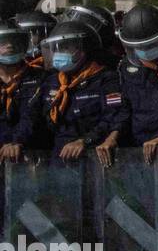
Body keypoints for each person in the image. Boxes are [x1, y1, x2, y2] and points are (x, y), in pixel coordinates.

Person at [2, 21, 122, 164]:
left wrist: (86, 140)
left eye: (65, 48)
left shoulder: (106, 80)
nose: (59, 53)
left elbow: (115, 116)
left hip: (95, 158)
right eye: (56, 49)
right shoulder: (53, 81)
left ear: (84, 49)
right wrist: (17, 141)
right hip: (59, 159)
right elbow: (32, 114)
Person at [110, 4, 158, 164]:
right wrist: (113, 135)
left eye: (149, 45)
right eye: (138, 47)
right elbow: (125, 107)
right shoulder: (128, 67)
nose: (144, 52)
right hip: (139, 150)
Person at [0, 20, 46, 151]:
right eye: (3, 42)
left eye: (15, 41)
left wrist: (17, 141)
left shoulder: (40, 77)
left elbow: (32, 114)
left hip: (29, 153)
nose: (10, 46)